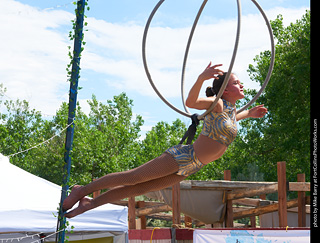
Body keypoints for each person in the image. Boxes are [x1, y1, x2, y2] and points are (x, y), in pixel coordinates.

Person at [62, 62, 268, 218]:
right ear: (224, 90)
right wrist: (201, 78)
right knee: (133, 177)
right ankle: (83, 190)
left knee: (137, 189)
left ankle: (88, 204)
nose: (241, 85)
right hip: (184, 157)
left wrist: (250, 113)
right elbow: (191, 102)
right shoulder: (218, 105)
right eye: (236, 82)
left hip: (192, 167)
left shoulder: (231, 111)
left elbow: (233, 119)